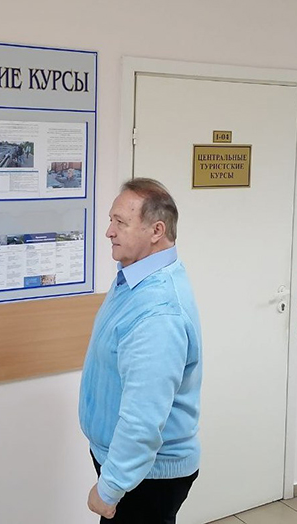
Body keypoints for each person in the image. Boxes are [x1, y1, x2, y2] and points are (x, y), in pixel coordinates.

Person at [79, 178, 202, 523]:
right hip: (132, 468)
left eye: (120, 222)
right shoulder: (135, 279)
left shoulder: (158, 312)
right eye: (111, 220)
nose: (109, 232)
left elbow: (143, 419)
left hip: (146, 477)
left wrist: (109, 488)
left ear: (156, 231)